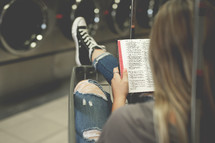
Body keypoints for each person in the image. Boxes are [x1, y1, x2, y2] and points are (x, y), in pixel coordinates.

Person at [72, 0, 215, 142]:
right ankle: (92, 51)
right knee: (127, 77)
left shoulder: (130, 121)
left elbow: (117, 132)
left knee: (87, 87)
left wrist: (120, 98)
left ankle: (91, 51)